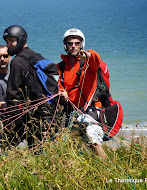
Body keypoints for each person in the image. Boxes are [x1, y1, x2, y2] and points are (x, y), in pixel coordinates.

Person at [2, 25, 59, 149]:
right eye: (7, 42)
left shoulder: (17, 61)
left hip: (34, 117)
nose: (9, 44)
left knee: (4, 148)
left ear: (21, 39)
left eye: (12, 40)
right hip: (50, 113)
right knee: (46, 153)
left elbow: (13, 93)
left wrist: (12, 119)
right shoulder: (36, 56)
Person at [57, 28, 107, 158]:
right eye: (70, 43)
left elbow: (96, 58)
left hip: (91, 109)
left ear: (82, 45)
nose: (73, 46)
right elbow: (59, 85)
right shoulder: (60, 67)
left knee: (92, 135)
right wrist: (61, 92)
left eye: (77, 43)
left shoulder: (89, 63)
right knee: (73, 146)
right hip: (72, 112)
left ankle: (106, 165)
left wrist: (89, 54)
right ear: (65, 46)